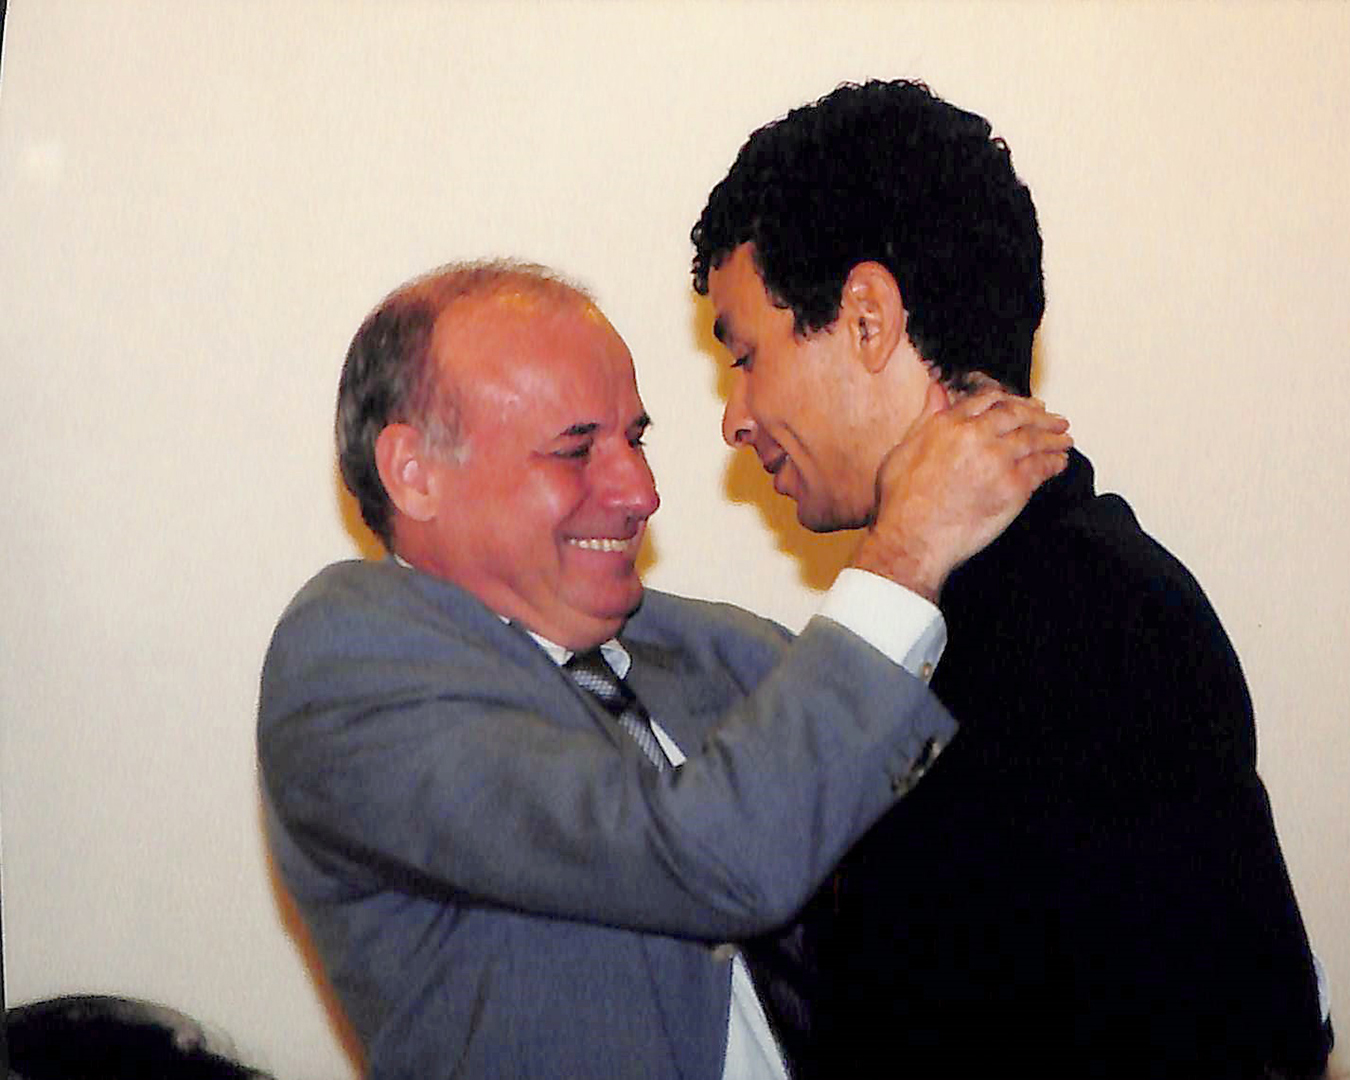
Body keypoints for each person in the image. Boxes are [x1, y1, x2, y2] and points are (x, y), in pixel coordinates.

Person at [257, 260, 1071, 1079]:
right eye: (576, 450)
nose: (641, 492)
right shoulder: (346, 662)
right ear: (414, 472)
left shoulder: (712, 645)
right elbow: (716, 854)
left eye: (635, 441)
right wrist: (903, 552)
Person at [692, 79, 1332, 1079]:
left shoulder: (1065, 624)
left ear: (867, 319)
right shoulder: (1069, 588)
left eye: (746, 356)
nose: (736, 417)